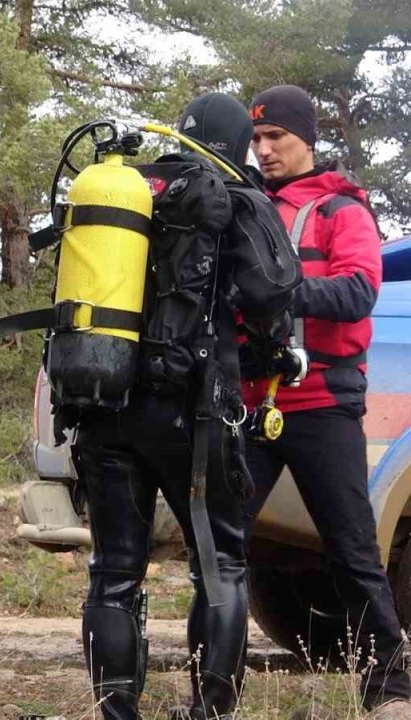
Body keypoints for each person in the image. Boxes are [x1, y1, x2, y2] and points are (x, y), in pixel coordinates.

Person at [74, 93, 300, 720]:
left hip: (102, 398)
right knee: (220, 564)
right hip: (192, 411)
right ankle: (211, 712)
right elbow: (271, 291)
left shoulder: (122, 189)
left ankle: (116, 713)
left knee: (115, 570)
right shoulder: (228, 196)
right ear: (233, 143)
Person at [241, 84, 411, 718]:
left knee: (352, 550)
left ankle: (390, 691)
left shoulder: (343, 211)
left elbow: (358, 293)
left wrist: (281, 293)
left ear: (306, 139)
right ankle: (213, 694)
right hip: (253, 405)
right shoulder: (248, 209)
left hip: (324, 404)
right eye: (256, 140)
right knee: (224, 549)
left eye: (276, 138)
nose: (264, 150)